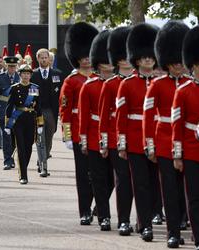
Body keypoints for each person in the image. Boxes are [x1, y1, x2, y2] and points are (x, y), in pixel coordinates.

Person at [142, 20, 190, 248]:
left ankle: (188, 223)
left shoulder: (191, 84)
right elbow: (149, 116)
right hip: (163, 142)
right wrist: (149, 145)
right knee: (169, 190)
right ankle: (173, 232)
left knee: (188, 191)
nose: (178, 65)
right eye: (174, 61)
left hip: (189, 143)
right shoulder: (157, 85)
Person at [116, 23, 158, 242]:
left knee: (154, 184)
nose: (148, 60)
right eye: (143, 57)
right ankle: (143, 224)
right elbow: (121, 116)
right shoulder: (128, 84)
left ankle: (148, 219)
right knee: (138, 183)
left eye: (151, 56)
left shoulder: (159, 83)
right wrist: (121, 143)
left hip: (157, 139)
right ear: (137, 59)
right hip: (133, 139)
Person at [172, 23, 199, 250]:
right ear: (192, 64)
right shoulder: (183, 90)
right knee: (195, 196)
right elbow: (177, 123)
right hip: (191, 148)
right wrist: (177, 153)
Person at [60, 22, 98, 226]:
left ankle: (99, 205)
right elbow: (65, 110)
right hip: (77, 131)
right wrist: (67, 135)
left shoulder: (99, 78)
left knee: (102, 174)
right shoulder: (71, 81)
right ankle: (84, 210)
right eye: (83, 55)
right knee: (83, 175)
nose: (86, 58)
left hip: (98, 131)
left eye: (88, 54)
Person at [98, 26, 134, 236]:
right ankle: (123, 220)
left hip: (138, 138)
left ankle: (143, 220)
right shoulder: (111, 85)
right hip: (114, 137)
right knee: (121, 181)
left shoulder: (142, 82)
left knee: (138, 183)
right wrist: (104, 142)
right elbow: (104, 115)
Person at [79, 30, 114, 231]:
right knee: (99, 178)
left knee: (113, 179)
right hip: (93, 136)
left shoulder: (119, 84)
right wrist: (83, 140)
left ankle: (100, 208)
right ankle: (104, 216)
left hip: (114, 136)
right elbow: (83, 115)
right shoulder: (90, 86)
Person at [5, 64, 43, 184]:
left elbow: (39, 106)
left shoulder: (35, 88)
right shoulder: (15, 88)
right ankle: (23, 175)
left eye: (28, 74)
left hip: (31, 119)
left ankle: (23, 168)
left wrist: (40, 123)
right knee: (20, 147)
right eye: (24, 74)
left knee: (28, 147)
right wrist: (7, 124)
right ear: (20, 74)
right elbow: (9, 106)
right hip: (18, 120)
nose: (26, 76)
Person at [31, 48, 62, 177]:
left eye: (46, 57)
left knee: (49, 137)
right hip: (37, 110)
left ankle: (43, 157)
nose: (44, 60)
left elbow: (61, 94)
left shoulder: (57, 74)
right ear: (37, 59)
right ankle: (44, 167)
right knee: (40, 138)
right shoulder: (33, 74)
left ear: (49, 59)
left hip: (51, 111)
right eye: (41, 57)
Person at [0, 56, 19, 170]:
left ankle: (12, 157)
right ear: (6, 66)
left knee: (15, 137)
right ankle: (7, 160)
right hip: (3, 110)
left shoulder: (21, 77)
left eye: (13, 66)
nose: (11, 69)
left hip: (16, 111)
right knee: (6, 137)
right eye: (10, 66)